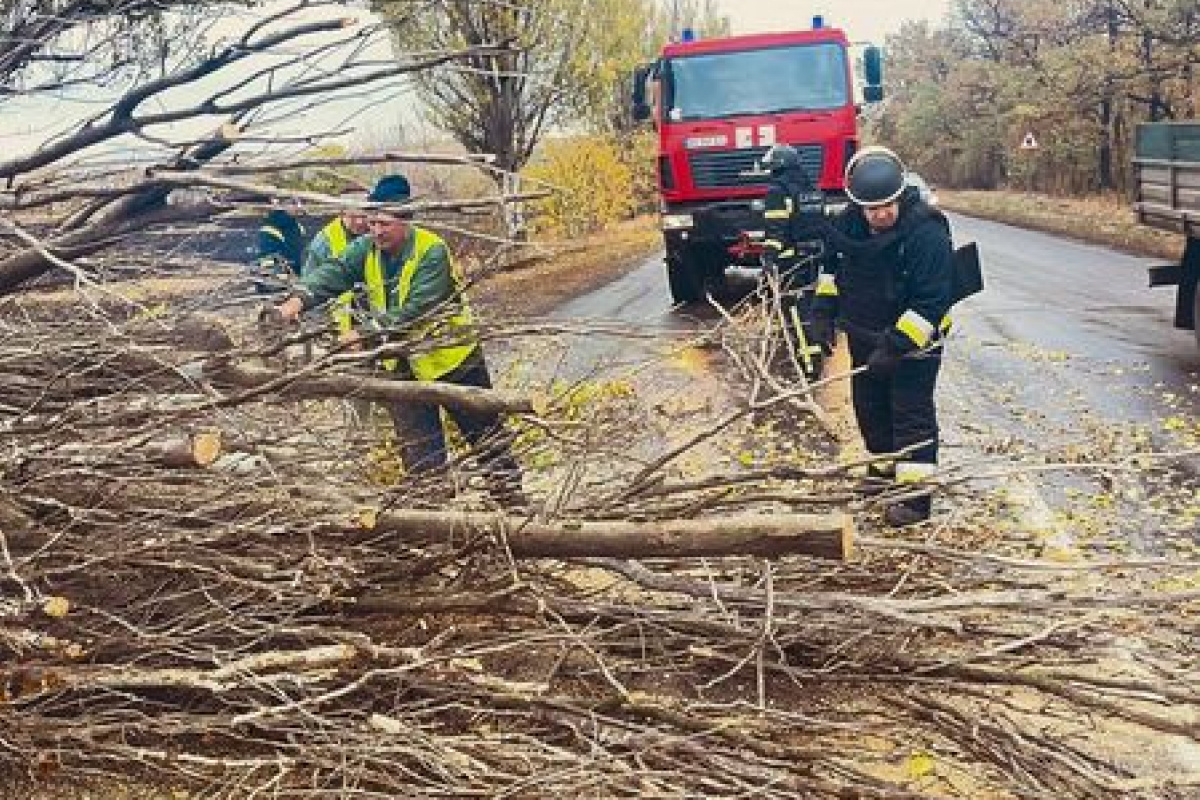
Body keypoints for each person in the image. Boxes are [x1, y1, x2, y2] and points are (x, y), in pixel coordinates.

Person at [275, 174, 526, 505]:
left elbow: (416, 310)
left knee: (485, 436)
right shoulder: (364, 249)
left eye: (385, 224)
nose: (376, 231)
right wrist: (298, 301)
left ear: (406, 221)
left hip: (453, 360)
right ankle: (431, 515)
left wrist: (363, 335)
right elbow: (332, 273)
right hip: (401, 365)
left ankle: (512, 504)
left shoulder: (431, 251)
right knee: (420, 455)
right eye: (373, 222)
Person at [810, 146, 954, 527]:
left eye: (888, 205)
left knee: (910, 413)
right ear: (857, 204)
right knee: (871, 410)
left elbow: (932, 300)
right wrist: (822, 313)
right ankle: (884, 477)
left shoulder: (926, 230)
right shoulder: (846, 228)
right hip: (864, 336)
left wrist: (897, 345)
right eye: (872, 208)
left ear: (900, 194)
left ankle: (914, 501)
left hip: (915, 342)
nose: (881, 214)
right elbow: (830, 273)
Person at [759, 143, 828, 380]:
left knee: (797, 314)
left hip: (789, 261)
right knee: (811, 305)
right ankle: (819, 347)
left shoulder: (777, 191)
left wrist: (769, 259)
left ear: (778, 166)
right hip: (812, 258)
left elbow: (775, 230)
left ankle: (809, 364)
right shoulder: (810, 189)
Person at [253, 207, 306, 294]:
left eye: (299, 202)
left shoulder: (298, 227)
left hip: (294, 282)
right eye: (292, 203)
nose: (299, 206)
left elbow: (301, 256)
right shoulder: (270, 230)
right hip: (276, 285)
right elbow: (266, 263)